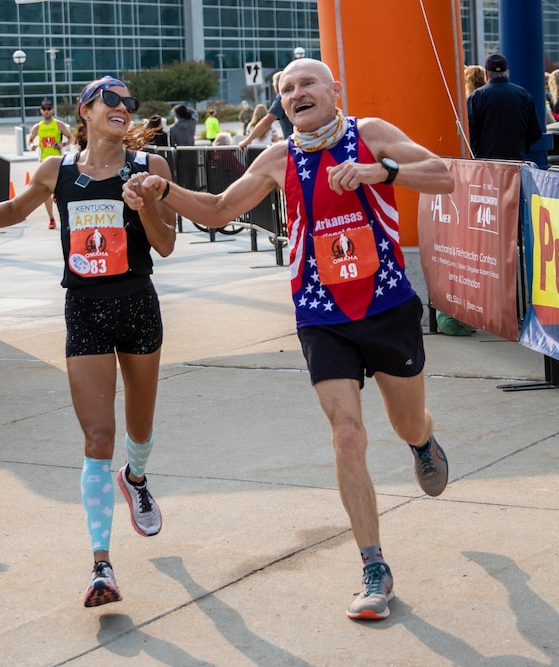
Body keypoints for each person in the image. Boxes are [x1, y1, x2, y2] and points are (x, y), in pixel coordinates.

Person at [124, 57, 455, 622]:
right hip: (320, 316)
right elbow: (220, 209)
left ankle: (423, 442)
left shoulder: (369, 135)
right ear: (282, 104)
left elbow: (445, 174)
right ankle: (374, 566)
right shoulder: (278, 159)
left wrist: (382, 173)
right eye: (287, 89)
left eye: (307, 83)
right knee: (347, 436)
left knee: (406, 422)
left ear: (334, 91)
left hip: (387, 307)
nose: (297, 93)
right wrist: (162, 190)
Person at [0, 75, 176, 608]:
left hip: (138, 306)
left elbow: (165, 245)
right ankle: (101, 565)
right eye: (112, 101)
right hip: (86, 311)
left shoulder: (151, 168)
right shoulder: (59, 170)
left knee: (139, 428)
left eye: (129, 103)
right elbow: (18, 207)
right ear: (87, 110)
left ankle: (137, 476)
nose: (124, 108)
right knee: (98, 435)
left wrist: (144, 204)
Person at [467, 53, 543, 161]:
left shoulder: (478, 96)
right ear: (507, 73)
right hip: (516, 161)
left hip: (487, 162)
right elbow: (535, 132)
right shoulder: (523, 94)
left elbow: (470, 131)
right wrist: (521, 147)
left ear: (486, 74)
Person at [28, 101, 72, 229]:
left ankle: (65, 217)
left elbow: (70, 138)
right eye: (44, 109)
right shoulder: (38, 127)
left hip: (58, 162)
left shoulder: (58, 124)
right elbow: (30, 140)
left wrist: (62, 145)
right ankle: (51, 218)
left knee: (62, 191)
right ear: (41, 111)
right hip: (44, 162)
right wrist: (32, 146)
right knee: (45, 192)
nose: (46, 111)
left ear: (52, 110)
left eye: (48, 108)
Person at [241, 69, 293, 148]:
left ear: (276, 86)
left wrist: (247, 141)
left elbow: (267, 121)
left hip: (296, 143)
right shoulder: (295, 94)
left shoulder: (282, 97)